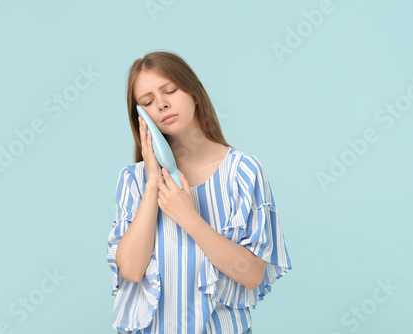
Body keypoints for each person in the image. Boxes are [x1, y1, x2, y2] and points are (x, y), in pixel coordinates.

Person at [106, 51, 292, 334]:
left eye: (170, 91)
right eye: (148, 102)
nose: (163, 104)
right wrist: (153, 180)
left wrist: (188, 217)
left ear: (194, 93)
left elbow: (253, 275)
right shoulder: (134, 179)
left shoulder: (243, 171)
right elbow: (131, 270)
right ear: (141, 116)